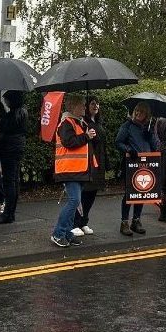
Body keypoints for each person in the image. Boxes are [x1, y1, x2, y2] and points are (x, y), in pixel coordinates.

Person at [50, 94, 95, 248]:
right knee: (74, 201)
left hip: (78, 170)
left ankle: (67, 234)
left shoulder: (79, 122)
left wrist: (86, 134)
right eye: (82, 105)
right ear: (73, 107)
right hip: (69, 169)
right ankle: (58, 233)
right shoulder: (66, 123)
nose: (84, 107)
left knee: (75, 202)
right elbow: (69, 142)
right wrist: (86, 136)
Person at [116, 101, 159, 235]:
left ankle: (136, 220)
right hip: (132, 163)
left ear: (146, 114)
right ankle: (124, 222)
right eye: (136, 111)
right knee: (130, 193)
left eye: (141, 111)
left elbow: (155, 146)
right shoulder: (127, 126)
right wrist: (128, 149)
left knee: (142, 193)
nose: (138, 113)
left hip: (146, 164)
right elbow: (118, 142)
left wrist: (150, 135)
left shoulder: (148, 128)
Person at [69, 96, 106, 236]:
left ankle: (84, 221)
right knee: (83, 195)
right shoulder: (83, 123)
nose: (95, 105)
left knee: (92, 194)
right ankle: (75, 222)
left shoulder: (99, 122)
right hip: (88, 162)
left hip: (99, 163)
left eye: (97, 103)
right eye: (92, 103)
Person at [0, 90, 28, 225]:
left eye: (6, 99)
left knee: (8, 181)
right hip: (17, 148)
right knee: (14, 181)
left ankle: (7, 213)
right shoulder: (23, 112)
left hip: (8, 149)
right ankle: (10, 212)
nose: (5, 102)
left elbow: (2, 133)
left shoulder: (11, 116)